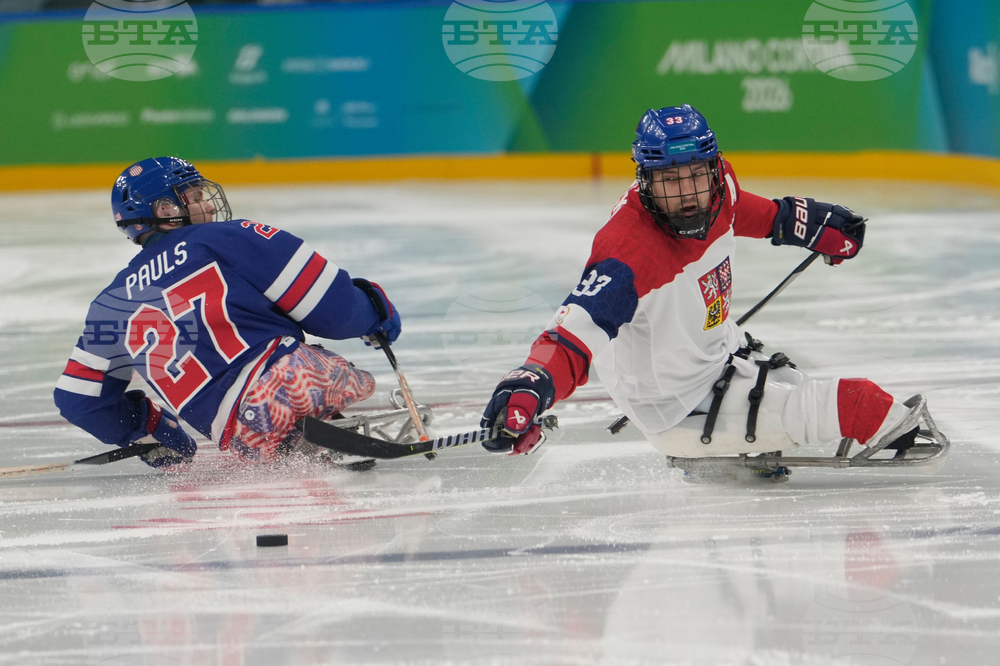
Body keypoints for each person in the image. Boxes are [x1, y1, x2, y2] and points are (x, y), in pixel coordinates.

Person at [481, 104, 921, 470]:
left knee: (796, 384)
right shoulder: (629, 252)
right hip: (674, 402)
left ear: (712, 168)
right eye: (670, 181)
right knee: (858, 404)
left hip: (719, 350)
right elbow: (571, 336)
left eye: (694, 175)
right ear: (645, 181)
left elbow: (741, 211)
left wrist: (798, 222)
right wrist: (533, 381)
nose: (687, 194)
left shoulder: (719, 186)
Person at [54, 156, 400, 468]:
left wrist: (151, 429)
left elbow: (78, 400)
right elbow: (332, 310)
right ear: (164, 210)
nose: (206, 201)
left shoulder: (108, 304)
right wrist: (376, 313)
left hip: (239, 434)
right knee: (339, 370)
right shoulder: (225, 237)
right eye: (192, 195)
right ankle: (322, 425)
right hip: (296, 383)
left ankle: (291, 440)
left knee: (250, 425)